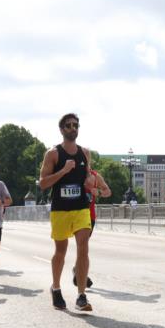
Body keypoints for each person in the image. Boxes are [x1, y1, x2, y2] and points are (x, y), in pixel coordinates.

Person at [39, 113, 93, 311]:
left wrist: (91, 183)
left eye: (76, 125)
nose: (73, 128)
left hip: (81, 207)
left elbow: (87, 177)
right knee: (60, 251)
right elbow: (43, 183)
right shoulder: (53, 154)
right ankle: (56, 287)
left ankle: (81, 295)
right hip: (60, 209)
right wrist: (63, 171)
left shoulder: (85, 153)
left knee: (83, 247)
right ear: (62, 130)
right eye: (69, 125)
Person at [73, 167, 111, 289]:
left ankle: (78, 271)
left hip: (90, 216)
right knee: (81, 246)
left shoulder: (96, 176)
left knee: (82, 246)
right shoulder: (72, 173)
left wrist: (98, 192)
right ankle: (79, 272)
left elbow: (108, 191)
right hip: (73, 214)